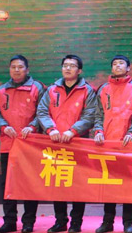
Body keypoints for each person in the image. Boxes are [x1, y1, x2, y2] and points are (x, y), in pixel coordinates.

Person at [36, 54, 98, 233]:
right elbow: (42, 111)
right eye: (65, 65)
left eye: (72, 65)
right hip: (55, 143)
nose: (68, 68)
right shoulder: (52, 90)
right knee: (58, 183)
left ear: (79, 71)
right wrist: (51, 129)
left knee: (78, 184)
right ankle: (60, 221)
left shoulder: (87, 90)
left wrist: (73, 131)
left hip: (78, 143)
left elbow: (90, 115)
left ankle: (76, 222)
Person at [0, 54, 45, 233]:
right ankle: (9, 221)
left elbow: (43, 112)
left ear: (27, 69)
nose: (16, 70)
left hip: (30, 145)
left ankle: (28, 222)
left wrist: (32, 126)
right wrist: (3, 127)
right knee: (8, 185)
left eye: (20, 67)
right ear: (9, 69)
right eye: (13, 67)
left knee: (30, 183)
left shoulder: (37, 88)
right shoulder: (2, 90)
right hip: (8, 144)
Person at [93, 55, 132, 233]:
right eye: (114, 64)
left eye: (121, 63)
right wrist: (98, 131)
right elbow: (98, 114)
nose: (117, 66)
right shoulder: (104, 89)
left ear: (128, 68)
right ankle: (107, 222)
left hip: (129, 143)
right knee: (109, 184)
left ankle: (128, 223)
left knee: (128, 185)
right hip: (107, 144)